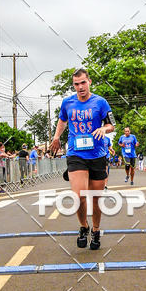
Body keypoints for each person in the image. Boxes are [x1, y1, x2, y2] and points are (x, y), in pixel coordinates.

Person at [50, 68, 115, 251]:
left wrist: (104, 129)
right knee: (79, 196)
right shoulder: (67, 103)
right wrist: (56, 137)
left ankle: (96, 230)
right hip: (76, 153)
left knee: (95, 198)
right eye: (76, 84)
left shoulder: (100, 102)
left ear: (89, 82)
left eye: (83, 83)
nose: (80, 87)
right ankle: (84, 226)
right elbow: (62, 120)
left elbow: (111, 124)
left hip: (97, 154)